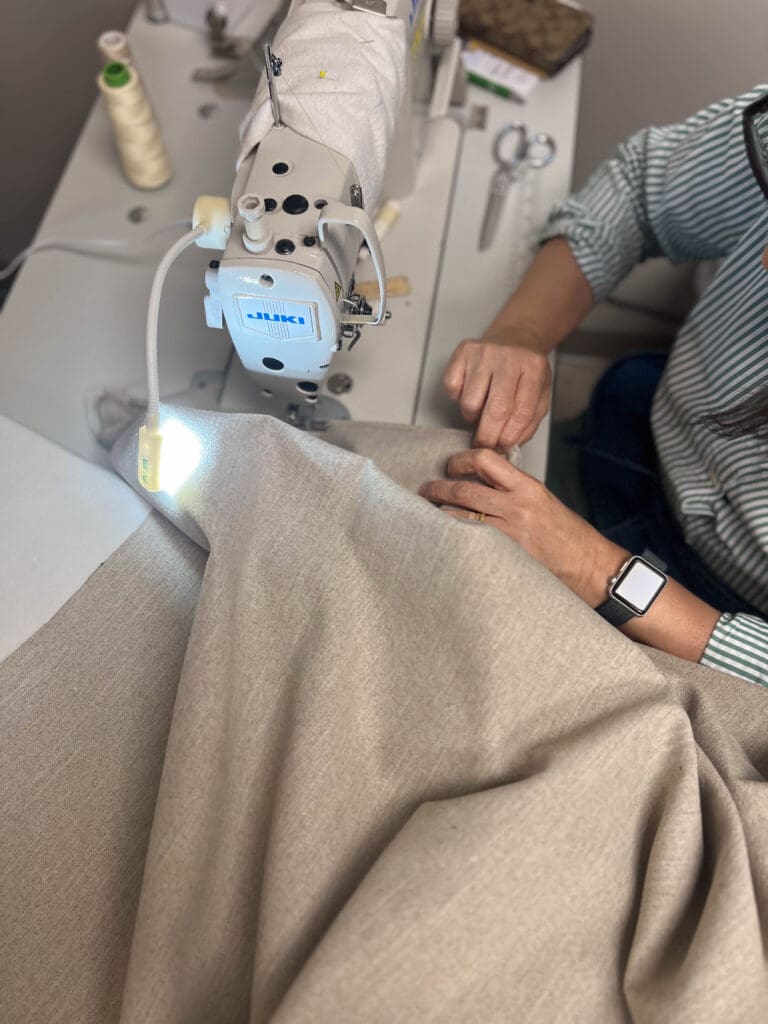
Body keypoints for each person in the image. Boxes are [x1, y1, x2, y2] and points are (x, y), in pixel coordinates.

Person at [419, 85, 768, 687]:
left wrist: (593, 567)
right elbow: (639, 189)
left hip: (713, 608)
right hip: (647, 422)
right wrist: (523, 332)